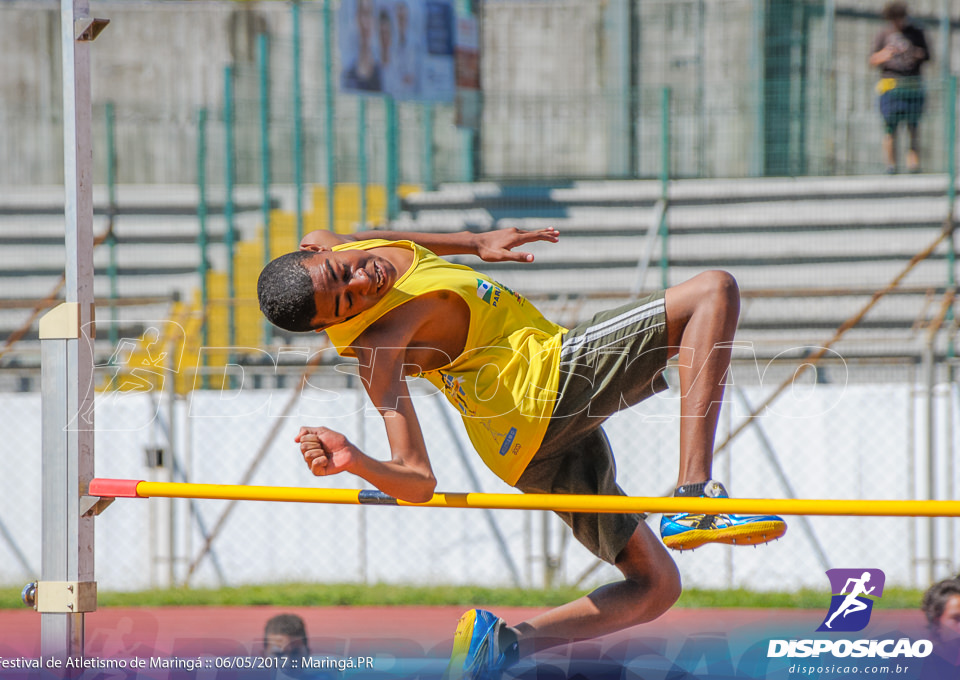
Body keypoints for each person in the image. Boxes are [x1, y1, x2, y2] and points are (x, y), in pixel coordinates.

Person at [257, 227, 787, 679]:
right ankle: (695, 493)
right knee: (713, 292)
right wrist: (355, 458)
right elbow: (417, 481)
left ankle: (504, 642)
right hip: (543, 386)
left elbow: (389, 240)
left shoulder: (337, 241)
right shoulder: (380, 346)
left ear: (315, 251)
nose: (360, 282)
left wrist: (472, 241)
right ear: (331, 325)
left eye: (341, 272)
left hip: (521, 448)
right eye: (346, 303)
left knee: (655, 586)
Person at [869, 1, 930, 174]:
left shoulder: (916, 33)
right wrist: (886, 54)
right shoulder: (883, 33)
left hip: (912, 86)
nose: (898, 23)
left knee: (913, 128)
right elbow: (872, 59)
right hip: (890, 87)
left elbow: (927, 55)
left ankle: (913, 167)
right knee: (890, 128)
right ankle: (891, 167)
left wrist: (911, 51)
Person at [342, 0, 382, 93]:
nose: (365, 23)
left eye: (369, 14)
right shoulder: (348, 70)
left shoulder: (383, 69)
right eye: (362, 13)